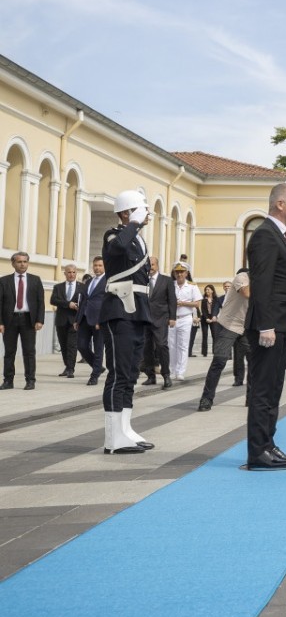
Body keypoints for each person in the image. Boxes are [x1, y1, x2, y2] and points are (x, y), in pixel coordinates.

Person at [244, 182, 286, 469]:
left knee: (274, 389)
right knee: (262, 390)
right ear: (280, 204)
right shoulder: (265, 236)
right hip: (269, 326)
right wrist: (266, 325)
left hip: (283, 324)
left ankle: (269, 445)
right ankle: (258, 452)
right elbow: (262, 283)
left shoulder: (279, 235)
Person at [99, 190, 155, 454]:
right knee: (119, 373)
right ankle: (113, 439)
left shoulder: (139, 241)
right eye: (139, 210)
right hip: (119, 311)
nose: (146, 214)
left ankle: (126, 430)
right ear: (125, 213)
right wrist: (132, 223)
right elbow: (118, 248)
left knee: (132, 374)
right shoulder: (114, 235)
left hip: (139, 311)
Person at [198, 268, 251, 411]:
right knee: (219, 361)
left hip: (248, 328)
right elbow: (247, 293)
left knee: (254, 364)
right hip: (229, 325)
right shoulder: (242, 277)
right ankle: (206, 399)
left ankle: (251, 399)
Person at [0, 252, 45, 390]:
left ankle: (30, 380)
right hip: (9, 320)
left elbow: (40, 302)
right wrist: (0, 322)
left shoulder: (35, 280)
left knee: (29, 352)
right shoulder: (4, 281)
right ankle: (8, 381)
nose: (22, 264)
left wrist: (40, 320)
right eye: (19, 262)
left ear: (28, 263)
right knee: (9, 352)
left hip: (28, 320)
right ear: (13, 263)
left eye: (25, 261)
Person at [140, 256, 176, 388]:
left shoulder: (166, 280)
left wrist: (173, 317)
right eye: (149, 265)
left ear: (158, 265)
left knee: (161, 346)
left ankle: (166, 375)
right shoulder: (142, 280)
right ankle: (150, 376)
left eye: (153, 264)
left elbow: (172, 300)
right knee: (146, 348)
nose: (151, 267)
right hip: (144, 319)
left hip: (161, 318)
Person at [168, 263, 201, 382]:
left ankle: (180, 371)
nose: (179, 274)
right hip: (172, 318)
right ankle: (172, 371)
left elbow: (197, 304)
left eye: (182, 272)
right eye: (177, 272)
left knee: (183, 345)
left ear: (186, 273)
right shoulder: (171, 285)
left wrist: (182, 303)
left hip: (185, 317)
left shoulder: (192, 286)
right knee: (171, 345)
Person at [77, 257, 107, 385]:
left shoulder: (108, 281)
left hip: (99, 320)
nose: (97, 268)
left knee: (99, 347)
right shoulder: (88, 281)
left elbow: (108, 303)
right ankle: (98, 367)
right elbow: (83, 301)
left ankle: (94, 376)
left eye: (100, 265)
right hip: (84, 318)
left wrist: (102, 320)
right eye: (95, 265)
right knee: (81, 346)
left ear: (105, 266)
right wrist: (77, 319)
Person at [50, 263, 83, 378]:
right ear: (65, 274)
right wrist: (67, 304)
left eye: (74, 272)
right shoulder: (58, 287)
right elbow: (53, 300)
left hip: (75, 321)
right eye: (69, 272)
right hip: (61, 320)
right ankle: (67, 366)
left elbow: (85, 302)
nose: (71, 274)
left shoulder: (82, 287)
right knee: (63, 345)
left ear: (76, 273)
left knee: (71, 345)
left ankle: (70, 369)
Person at [198, 284, 218, 356]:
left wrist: (213, 317)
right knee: (205, 335)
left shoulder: (216, 300)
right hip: (204, 319)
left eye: (208, 289)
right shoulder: (203, 300)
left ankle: (215, 351)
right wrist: (206, 318)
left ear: (212, 291)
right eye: (206, 290)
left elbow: (217, 309)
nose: (207, 291)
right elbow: (203, 310)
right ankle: (204, 352)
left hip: (213, 319)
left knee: (215, 335)